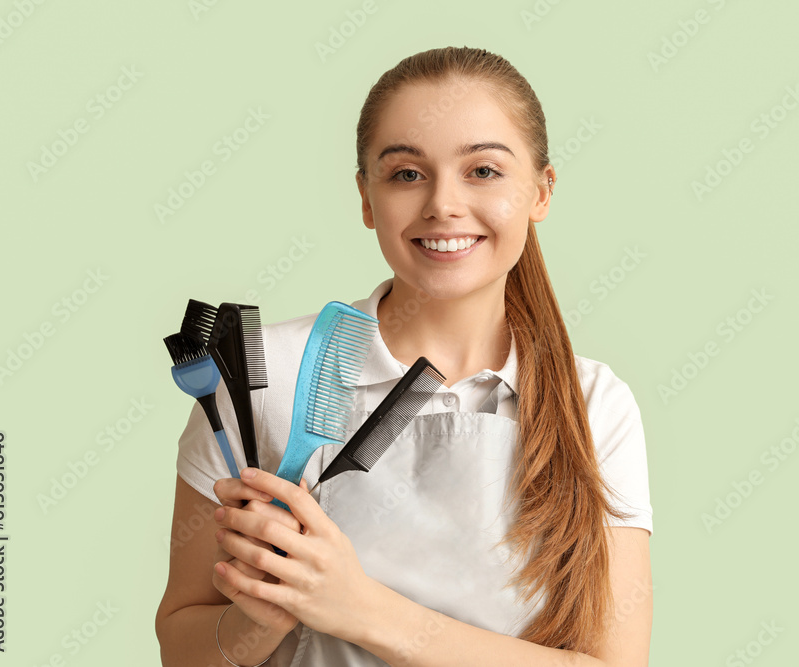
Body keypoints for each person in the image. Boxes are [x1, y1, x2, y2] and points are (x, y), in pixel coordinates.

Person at [155, 46, 653, 667]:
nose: (443, 204)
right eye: (407, 174)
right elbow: (182, 649)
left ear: (541, 192)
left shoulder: (593, 406)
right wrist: (262, 618)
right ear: (366, 198)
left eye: (484, 171)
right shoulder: (260, 382)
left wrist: (359, 607)